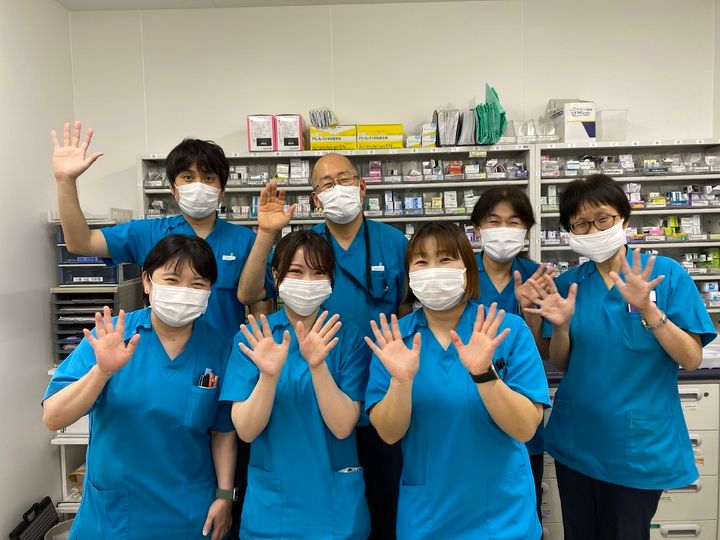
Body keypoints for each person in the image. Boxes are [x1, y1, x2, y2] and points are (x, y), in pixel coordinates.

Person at [524, 174, 717, 540]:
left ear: (623, 218)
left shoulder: (666, 275)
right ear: (570, 232)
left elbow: (691, 358)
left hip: (639, 445)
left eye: (602, 218)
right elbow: (562, 362)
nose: (593, 229)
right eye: (580, 224)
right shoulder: (569, 284)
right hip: (578, 439)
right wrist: (560, 327)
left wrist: (649, 310)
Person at [236, 153, 410, 538]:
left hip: (380, 400)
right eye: (326, 184)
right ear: (315, 198)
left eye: (344, 179)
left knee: (384, 509)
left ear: (362, 187)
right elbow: (250, 293)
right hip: (318, 400)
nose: (337, 188)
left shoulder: (394, 243)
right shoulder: (307, 246)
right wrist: (266, 233)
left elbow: (406, 312)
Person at [42, 235, 237, 540]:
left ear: (209, 291)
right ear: (147, 281)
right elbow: (53, 417)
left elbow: (222, 431)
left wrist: (225, 495)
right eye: (172, 280)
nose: (184, 292)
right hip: (116, 513)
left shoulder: (219, 349)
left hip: (188, 511)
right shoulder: (112, 337)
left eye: (197, 284)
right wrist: (101, 372)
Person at [365, 222, 550, 539]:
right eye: (421, 261)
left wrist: (485, 375)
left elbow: (525, 429)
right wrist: (401, 382)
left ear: (467, 269)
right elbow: (389, 434)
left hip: (502, 513)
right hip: (428, 514)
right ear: (409, 274)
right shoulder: (395, 340)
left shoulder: (507, 330)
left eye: (446, 259)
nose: (433, 270)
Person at [51, 121, 274, 340]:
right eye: (188, 177)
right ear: (173, 189)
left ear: (222, 191)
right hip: (162, 353)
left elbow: (260, 308)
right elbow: (81, 243)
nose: (198, 185)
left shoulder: (247, 241)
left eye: (208, 178)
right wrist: (65, 181)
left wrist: (256, 354)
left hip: (224, 355)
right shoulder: (149, 233)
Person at [221, 230, 370, 539]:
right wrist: (268, 376)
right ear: (276, 276)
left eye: (319, 272)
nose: (308, 281)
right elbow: (246, 430)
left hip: (335, 510)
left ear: (331, 280)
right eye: (296, 271)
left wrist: (318, 366)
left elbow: (343, 426)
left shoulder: (349, 338)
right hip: (273, 512)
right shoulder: (255, 337)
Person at [470, 186, 552, 522]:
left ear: (526, 230)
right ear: (477, 228)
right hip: (469, 407)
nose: (503, 230)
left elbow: (545, 351)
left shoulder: (538, 276)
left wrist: (531, 314)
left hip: (521, 405)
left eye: (514, 222)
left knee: (521, 511)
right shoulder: (458, 275)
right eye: (494, 221)